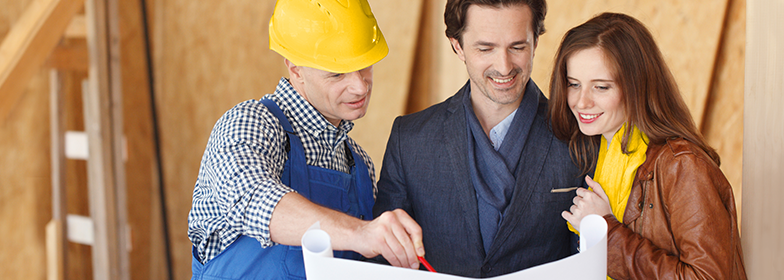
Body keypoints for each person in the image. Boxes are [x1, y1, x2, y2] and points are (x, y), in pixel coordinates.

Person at [187, 1, 425, 279]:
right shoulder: (250, 123)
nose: (360, 85)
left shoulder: (360, 166)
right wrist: (361, 232)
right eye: (337, 73)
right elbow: (251, 197)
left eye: (364, 65)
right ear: (295, 69)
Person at [372, 0, 584, 277]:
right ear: (457, 46)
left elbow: (589, 260)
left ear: (536, 41)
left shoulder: (577, 136)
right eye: (485, 48)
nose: (504, 66)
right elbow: (384, 260)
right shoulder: (410, 139)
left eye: (518, 47)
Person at [550, 13, 746, 279]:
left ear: (636, 87)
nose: (581, 102)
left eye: (601, 87)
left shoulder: (682, 165)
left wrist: (605, 232)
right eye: (574, 84)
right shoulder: (595, 153)